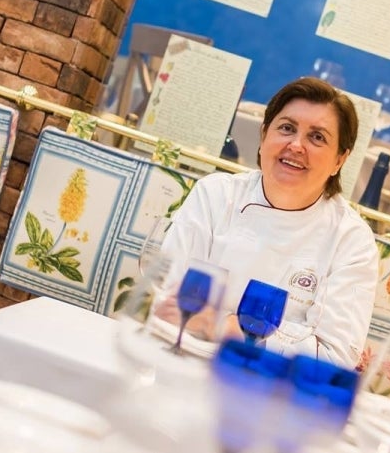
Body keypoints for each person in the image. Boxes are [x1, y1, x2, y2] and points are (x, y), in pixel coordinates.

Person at [160, 77, 378, 369]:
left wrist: (223, 326)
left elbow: (332, 358)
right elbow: (167, 304)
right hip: (182, 366)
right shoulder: (215, 196)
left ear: (340, 160)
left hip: (270, 395)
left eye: (317, 137)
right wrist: (285, 337)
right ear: (264, 137)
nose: (296, 145)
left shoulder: (352, 240)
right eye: (287, 128)